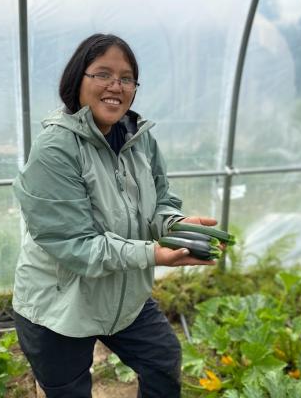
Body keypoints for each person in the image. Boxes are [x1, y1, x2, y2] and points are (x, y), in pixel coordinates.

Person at [12, 33, 220, 398]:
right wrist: (153, 254)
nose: (116, 86)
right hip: (60, 305)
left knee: (162, 359)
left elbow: (159, 203)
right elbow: (75, 244)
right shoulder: (56, 148)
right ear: (78, 81)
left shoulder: (140, 138)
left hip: (122, 296)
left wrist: (175, 227)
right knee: (69, 391)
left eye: (126, 78)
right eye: (102, 74)